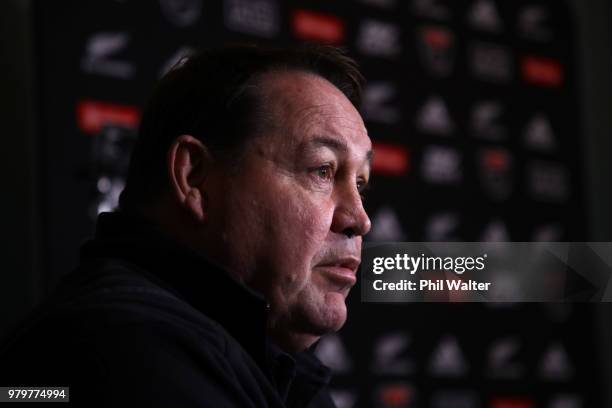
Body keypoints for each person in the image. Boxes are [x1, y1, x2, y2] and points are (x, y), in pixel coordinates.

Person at [0, 44, 372, 407]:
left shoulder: (268, 359)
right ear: (194, 177)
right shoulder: (127, 349)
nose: (359, 220)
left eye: (360, 184)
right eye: (323, 170)